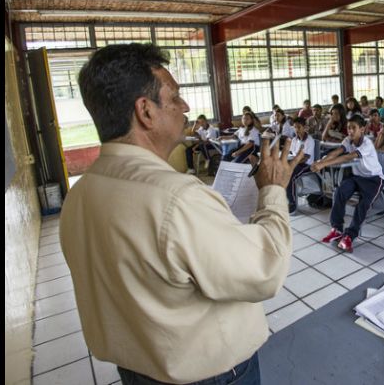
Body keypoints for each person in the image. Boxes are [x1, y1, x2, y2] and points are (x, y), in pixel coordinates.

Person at [61, 43, 302, 385]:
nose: (185, 106)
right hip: (210, 376)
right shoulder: (177, 200)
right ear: (145, 111)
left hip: (137, 372)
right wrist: (273, 190)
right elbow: (267, 270)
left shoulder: (81, 194)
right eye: (174, 97)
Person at [312, 115, 384, 253]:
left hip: (374, 179)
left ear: (362, 129)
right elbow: (337, 152)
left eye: (353, 128)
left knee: (363, 205)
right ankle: (337, 229)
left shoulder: (367, 144)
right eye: (348, 128)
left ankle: (349, 236)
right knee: (340, 192)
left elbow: (347, 157)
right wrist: (320, 162)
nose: (350, 131)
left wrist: (323, 164)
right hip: (357, 177)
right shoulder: (348, 140)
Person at [285, 117, 313, 215]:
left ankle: (292, 203)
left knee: (291, 175)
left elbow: (305, 158)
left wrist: (292, 163)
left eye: (299, 127)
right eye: (295, 127)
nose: (296, 130)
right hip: (296, 163)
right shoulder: (294, 140)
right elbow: (291, 153)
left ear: (305, 127)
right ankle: (285, 199)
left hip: (306, 165)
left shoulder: (309, 140)